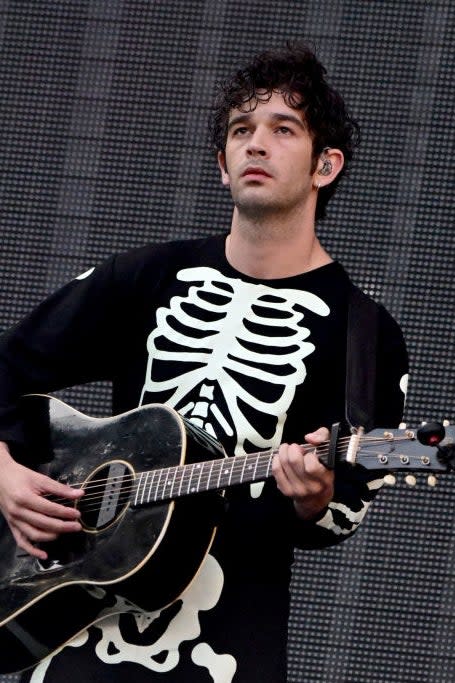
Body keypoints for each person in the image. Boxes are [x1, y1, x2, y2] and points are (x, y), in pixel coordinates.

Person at [0, 42, 408, 682]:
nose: (256, 144)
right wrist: (5, 474)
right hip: (69, 626)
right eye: (241, 131)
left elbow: (342, 514)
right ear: (222, 164)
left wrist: (315, 493)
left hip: (224, 648)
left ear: (326, 165)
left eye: (282, 129)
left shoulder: (366, 334)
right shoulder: (147, 277)